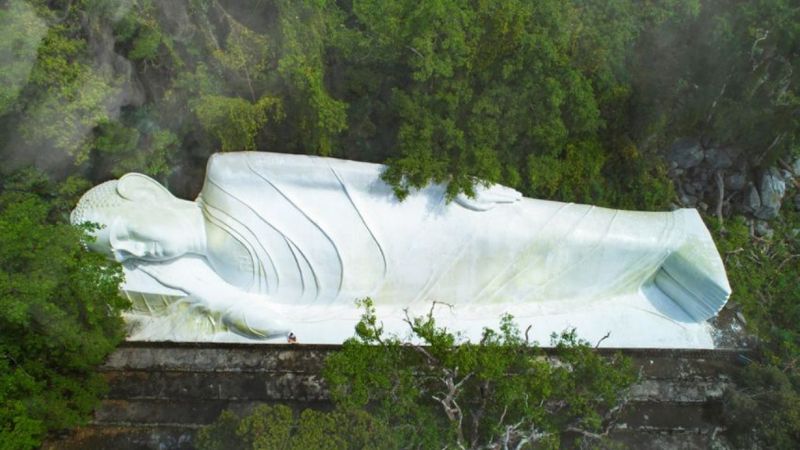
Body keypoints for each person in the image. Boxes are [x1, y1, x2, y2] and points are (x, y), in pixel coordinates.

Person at [71, 152, 731, 339]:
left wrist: (443, 185)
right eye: (122, 255)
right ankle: (647, 280)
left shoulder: (225, 175)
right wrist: (193, 286)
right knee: (528, 283)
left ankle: (668, 235)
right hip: (389, 284)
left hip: (404, 220)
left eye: (127, 233)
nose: (137, 251)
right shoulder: (216, 276)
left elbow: (338, 174)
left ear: (142, 189)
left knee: (534, 230)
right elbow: (267, 325)